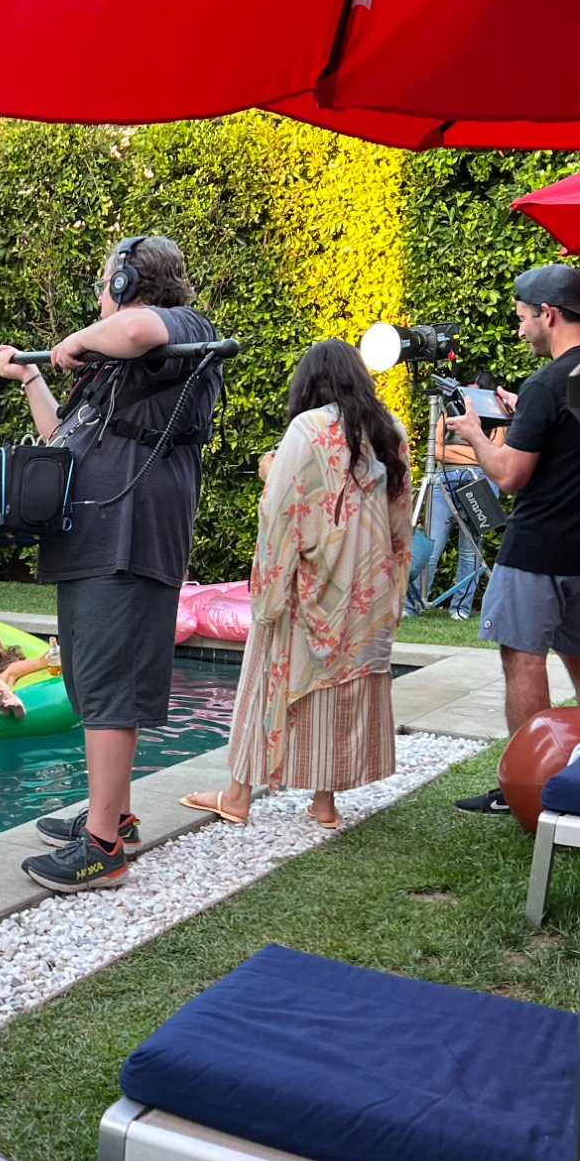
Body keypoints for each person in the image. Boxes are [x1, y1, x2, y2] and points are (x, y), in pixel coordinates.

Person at [0, 234, 223, 892]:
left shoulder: (181, 330)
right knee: (96, 678)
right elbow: (61, 436)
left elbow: (142, 326)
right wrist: (34, 374)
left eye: (104, 283)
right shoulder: (116, 363)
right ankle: (113, 818)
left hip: (129, 533)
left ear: (126, 283)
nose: (98, 296)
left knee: (109, 683)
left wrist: (85, 335)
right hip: (95, 530)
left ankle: (101, 850)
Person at [181, 339, 413, 830]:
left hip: (309, 589)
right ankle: (324, 804)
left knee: (266, 682)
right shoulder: (389, 430)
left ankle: (238, 797)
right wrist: (391, 592)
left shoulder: (307, 429)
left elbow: (280, 514)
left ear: (310, 382)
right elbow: (399, 524)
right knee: (336, 692)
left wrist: (267, 588)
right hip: (366, 590)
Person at [440, 264, 580, 815]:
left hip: (537, 549)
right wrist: (523, 416)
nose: (520, 330)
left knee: (524, 660)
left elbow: (510, 475)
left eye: (522, 319)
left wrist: (472, 434)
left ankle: (527, 787)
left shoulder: (546, 383)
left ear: (548, 314)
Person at [409, 370, 505, 620]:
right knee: (432, 545)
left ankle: (460, 608)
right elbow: (436, 451)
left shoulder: (496, 420)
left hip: (480, 483)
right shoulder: (447, 413)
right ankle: (415, 603)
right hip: (445, 480)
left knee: (470, 549)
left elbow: (497, 458)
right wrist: (476, 454)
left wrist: (461, 453)